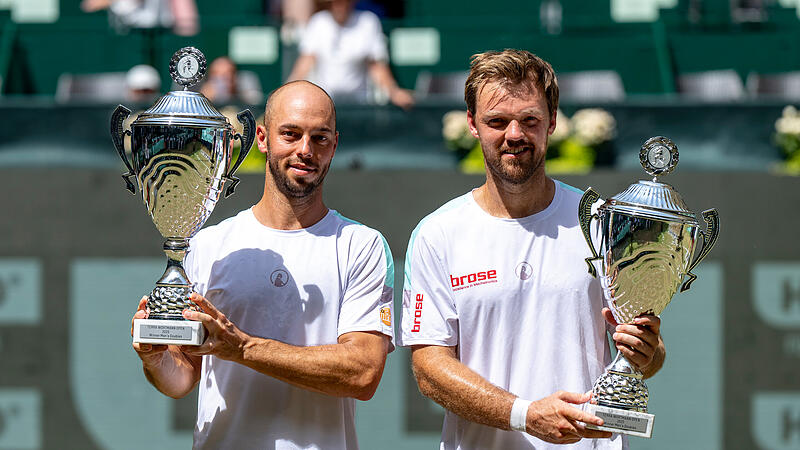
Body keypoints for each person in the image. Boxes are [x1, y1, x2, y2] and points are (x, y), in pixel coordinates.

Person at [399, 49, 666, 449]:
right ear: (472, 123)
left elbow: (650, 354)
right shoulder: (437, 233)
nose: (514, 135)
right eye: (497, 121)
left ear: (552, 121)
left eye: (529, 120)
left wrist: (646, 352)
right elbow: (429, 369)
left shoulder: (602, 222)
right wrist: (524, 415)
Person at [131, 80, 395, 449]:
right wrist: (155, 359)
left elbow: (363, 373)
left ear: (334, 145)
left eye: (319, 138)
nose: (305, 150)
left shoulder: (362, 245)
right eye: (291, 134)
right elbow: (183, 378)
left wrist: (242, 348)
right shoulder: (208, 244)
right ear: (262, 138)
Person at [287, 0, 415, 110]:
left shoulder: (368, 22)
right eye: (335, 2)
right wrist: (287, 91)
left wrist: (393, 92)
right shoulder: (318, 22)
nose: (339, 5)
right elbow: (305, 62)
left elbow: (376, 66)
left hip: (358, 105)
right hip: (326, 105)